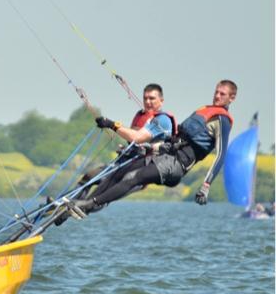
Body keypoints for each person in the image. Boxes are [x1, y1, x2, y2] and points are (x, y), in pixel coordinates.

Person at [74, 80, 236, 214]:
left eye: (222, 94)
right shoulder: (205, 110)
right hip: (165, 155)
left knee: (133, 178)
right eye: (216, 92)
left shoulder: (223, 121)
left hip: (176, 165)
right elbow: (173, 142)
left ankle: (89, 204)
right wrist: (147, 148)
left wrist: (206, 185)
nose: (217, 96)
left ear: (232, 98)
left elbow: (221, 154)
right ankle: (82, 205)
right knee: (120, 172)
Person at [75, 83, 175, 197]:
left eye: (152, 98)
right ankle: (62, 206)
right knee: (90, 176)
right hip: (124, 164)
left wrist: (111, 124)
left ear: (161, 101)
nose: (148, 102)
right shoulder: (142, 116)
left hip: (139, 171)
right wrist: (126, 148)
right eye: (145, 98)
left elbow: (136, 138)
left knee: (102, 189)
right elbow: (133, 140)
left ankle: (81, 205)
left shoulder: (163, 120)